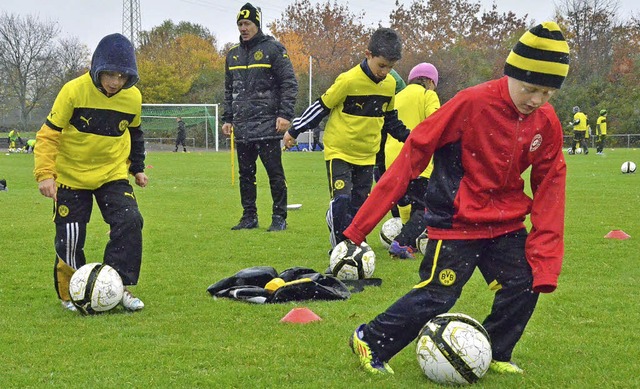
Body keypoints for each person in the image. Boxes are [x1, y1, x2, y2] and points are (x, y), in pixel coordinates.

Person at [344, 21, 570, 376]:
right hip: (456, 223)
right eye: (530, 89)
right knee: (439, 295)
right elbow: (414, 152)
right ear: (510, 73)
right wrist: (360, 227)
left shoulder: (546, 121)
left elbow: (551, 184)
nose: (537, 100)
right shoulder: (470, 103)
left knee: (525, 281)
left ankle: (495, 350)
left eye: (547, 93)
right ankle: (370, 339)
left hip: (506, 223)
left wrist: (547, 257)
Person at [34, 33, 147, 312]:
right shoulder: (72, 91)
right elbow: (48, 135)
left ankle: (118, 287)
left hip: (112, 174)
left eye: (122, 76)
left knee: (130, 221)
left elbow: (136, 134)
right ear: (97, 67)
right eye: (109, 74)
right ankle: (69, 294)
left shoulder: (133, 98)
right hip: (71, 177)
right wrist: (45, 173)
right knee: (71, 235)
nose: (114, 82)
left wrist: (139, 168)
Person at [284, 27, 410, 248]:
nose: (385, 72)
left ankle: (347, 237)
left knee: (359, 207)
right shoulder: (348, 80)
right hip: (339, 152)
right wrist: (295, 130)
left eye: (390, 67)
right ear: (368, 54)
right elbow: (321, 107)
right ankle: (340, 251)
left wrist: (410, 138)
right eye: (382, 65)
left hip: (367, 155)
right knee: (342, 201)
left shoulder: (390, 85)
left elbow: (390, 119)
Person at [222, 2, 298, 232]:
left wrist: (285, 114)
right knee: (246, 174)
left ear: (257, 24)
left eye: (247, 23)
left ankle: (279, 216)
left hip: (267, 124)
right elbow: (229, 90)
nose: (243, 28)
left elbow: (289, 83)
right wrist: (228, 118)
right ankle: (249, 216)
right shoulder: (232, 55)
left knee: (274, 172)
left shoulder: (273, 49)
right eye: (240, 24)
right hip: (243, 126)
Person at [384, 62, 441, 259]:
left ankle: (407, 241)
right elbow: (436, 122)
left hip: (391, 157)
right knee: (425, 207)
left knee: (404, 202)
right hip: (416, 157)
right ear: (430, 81)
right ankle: (402, 242)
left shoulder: (397, 97)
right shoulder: (428, 95)